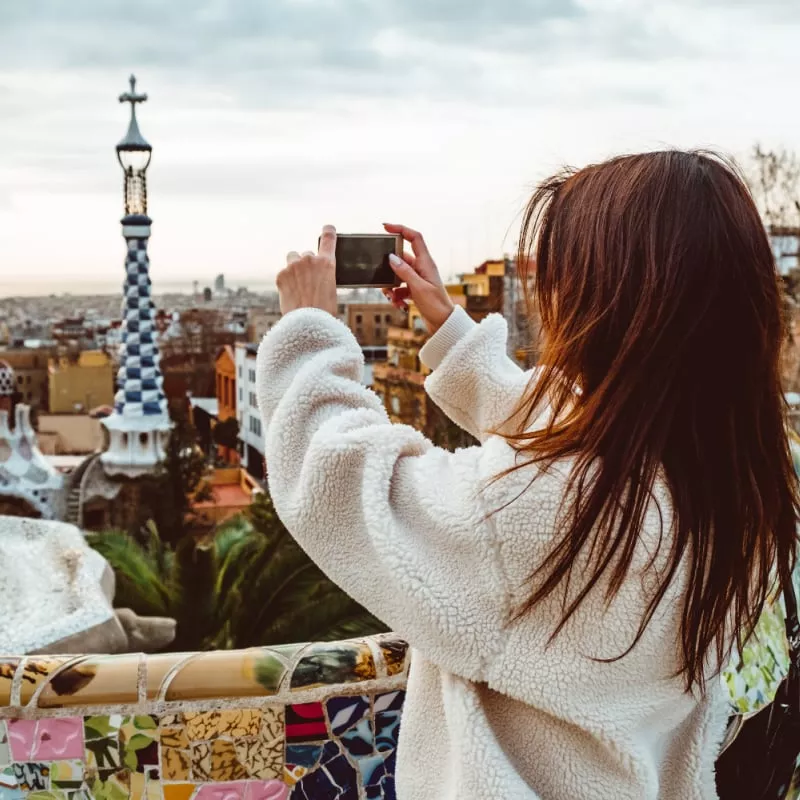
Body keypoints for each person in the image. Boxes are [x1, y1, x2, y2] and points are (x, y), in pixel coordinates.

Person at [256, 150, 799, 799]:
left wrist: (306, 332)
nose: (550, 298)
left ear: (614, 301)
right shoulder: (733, 472)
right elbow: (577, 435)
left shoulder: (557, 513)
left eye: (563, 278)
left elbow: (342, 485)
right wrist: (449, 327)